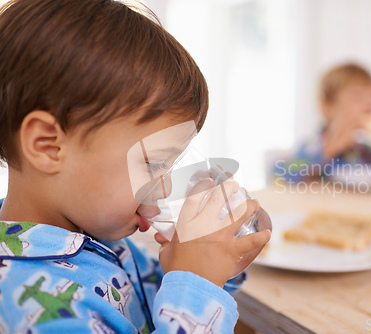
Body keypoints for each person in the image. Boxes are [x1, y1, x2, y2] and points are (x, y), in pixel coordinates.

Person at [0, 0, 270, 333]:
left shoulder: (97, 236)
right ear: (47, 145)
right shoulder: (33, 311)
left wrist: (208, 266)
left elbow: (168, 303)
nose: (166, 187)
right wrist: (197, 282)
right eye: (155, 162)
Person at [275, 63, 371, 182]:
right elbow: (279, 177)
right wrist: (331, 148)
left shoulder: (362, 151)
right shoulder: (312, 145)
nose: (368, 106)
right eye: (357, 97)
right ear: (328, 106)